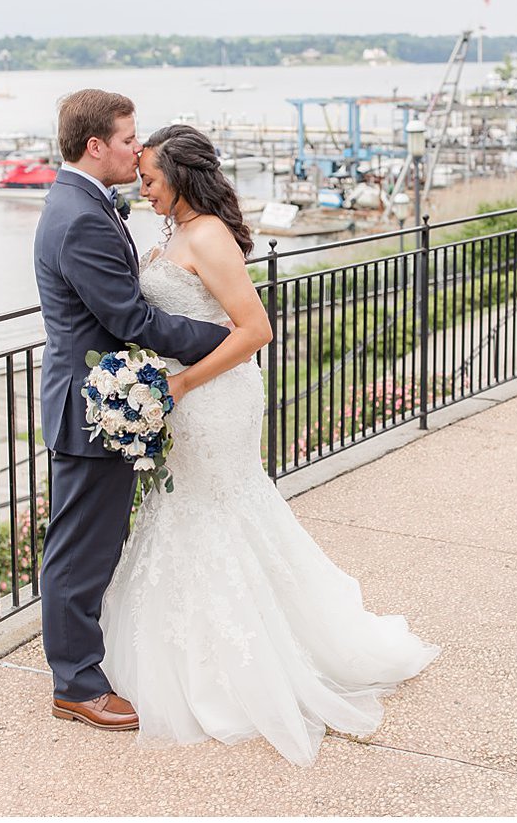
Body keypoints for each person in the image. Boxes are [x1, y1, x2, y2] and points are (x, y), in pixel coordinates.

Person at [99, 124, 438, 766]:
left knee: (220, 507)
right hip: (186, 397)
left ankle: (253, 664)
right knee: (185, 507)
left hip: (217, 397)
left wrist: (180, 385)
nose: (142, 189)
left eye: (149, 179)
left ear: (179, 177)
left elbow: (257, 329)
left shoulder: (210, 236)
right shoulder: (175, 232)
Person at [34, 91, 230, 731]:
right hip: (90, 408)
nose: (135, 149)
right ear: (96, 145)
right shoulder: (81, 215)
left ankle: (84, 669)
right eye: (127, 139)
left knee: (94, 542)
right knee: (79, 550)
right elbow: (127, 317)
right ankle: (76, 685)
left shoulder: (83, 202)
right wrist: (218, 339)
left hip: (101, 399)